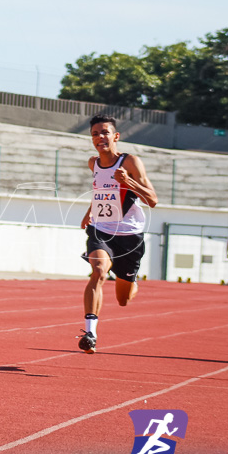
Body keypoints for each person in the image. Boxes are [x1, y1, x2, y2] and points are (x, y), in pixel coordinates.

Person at [77, 114, 157, 354]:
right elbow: (101, 191)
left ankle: (131, 281)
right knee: (98, 271)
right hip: (101, 230)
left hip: (130, 237)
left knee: (123, 299)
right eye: (95, 134)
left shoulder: (130, 161)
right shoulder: (93, 163)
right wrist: (89, 212)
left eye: (104, 133)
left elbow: (152, 200)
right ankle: (90, 332)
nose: (100, 137)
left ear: (115, 136)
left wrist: (129, 182)